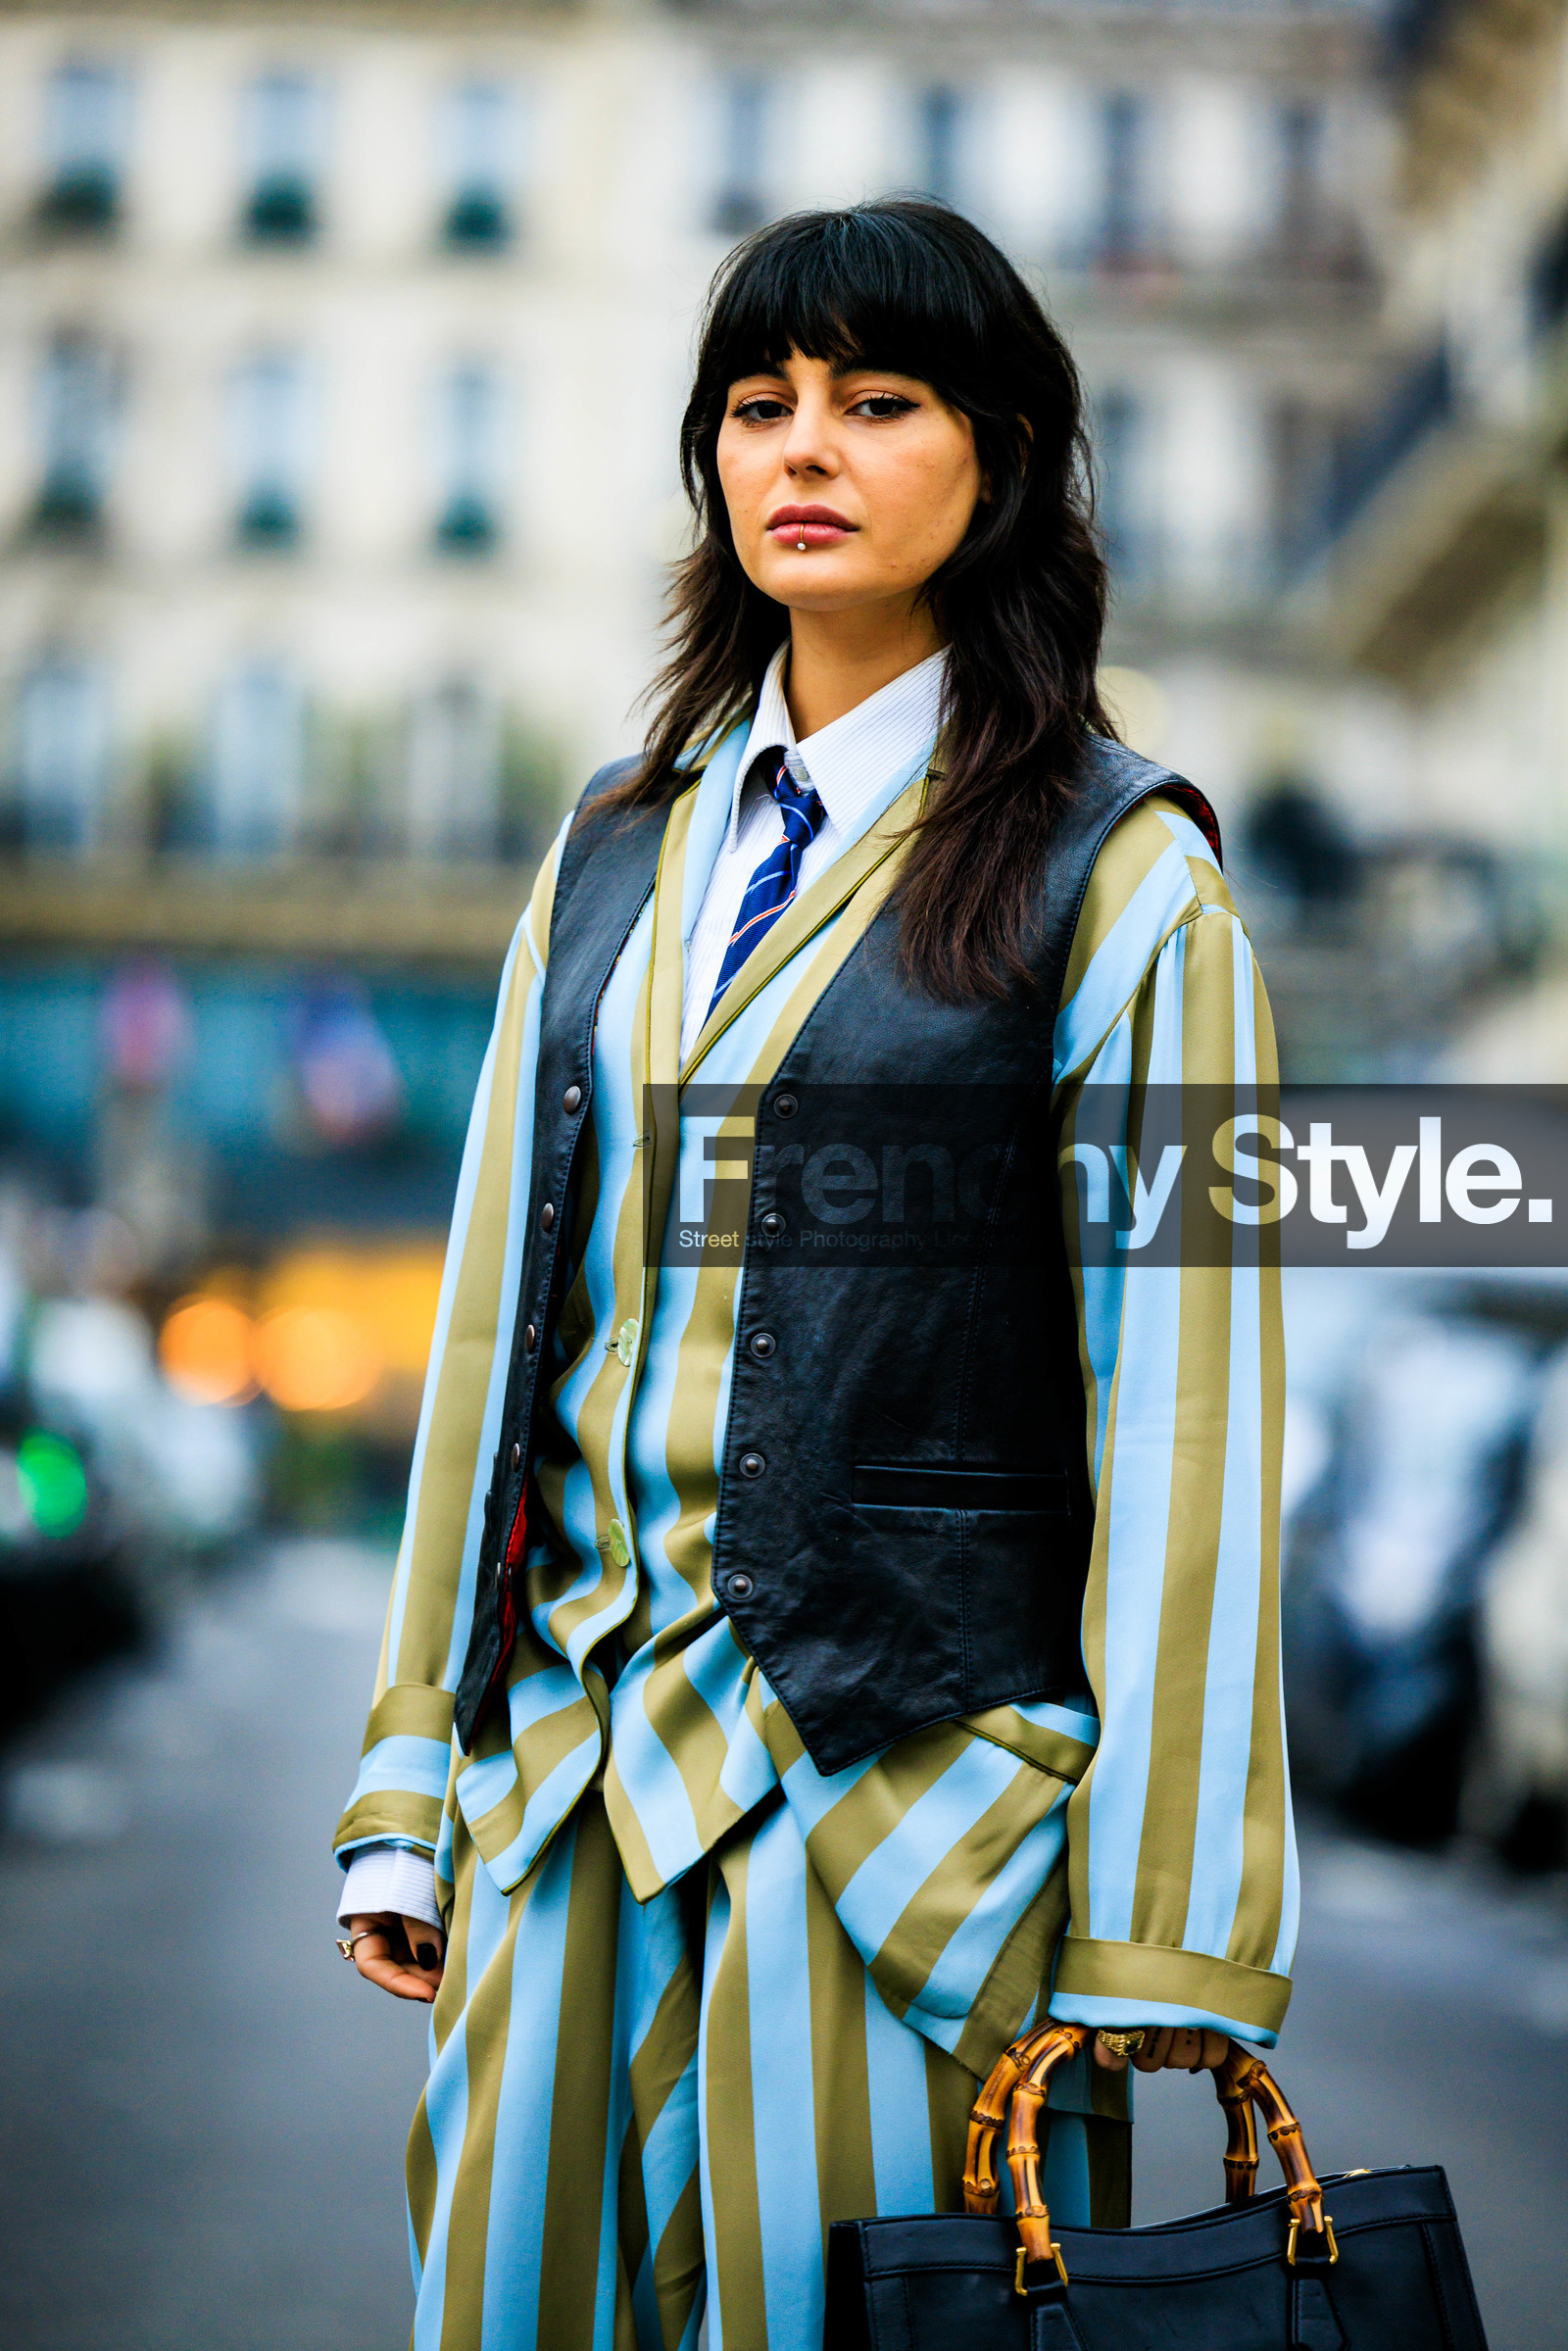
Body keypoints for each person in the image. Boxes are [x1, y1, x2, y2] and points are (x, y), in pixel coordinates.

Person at [332, 199, 1293, 2351]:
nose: (804, 450)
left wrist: (1154, 1942)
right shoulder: (604, 850)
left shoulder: (1124, 883)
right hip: (565, 1791)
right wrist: (413, 1778)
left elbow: (1191, 1415)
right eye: (757, 406)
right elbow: (495, 1327)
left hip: (912, 1841)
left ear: (1008, 454)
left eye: (877, 402)